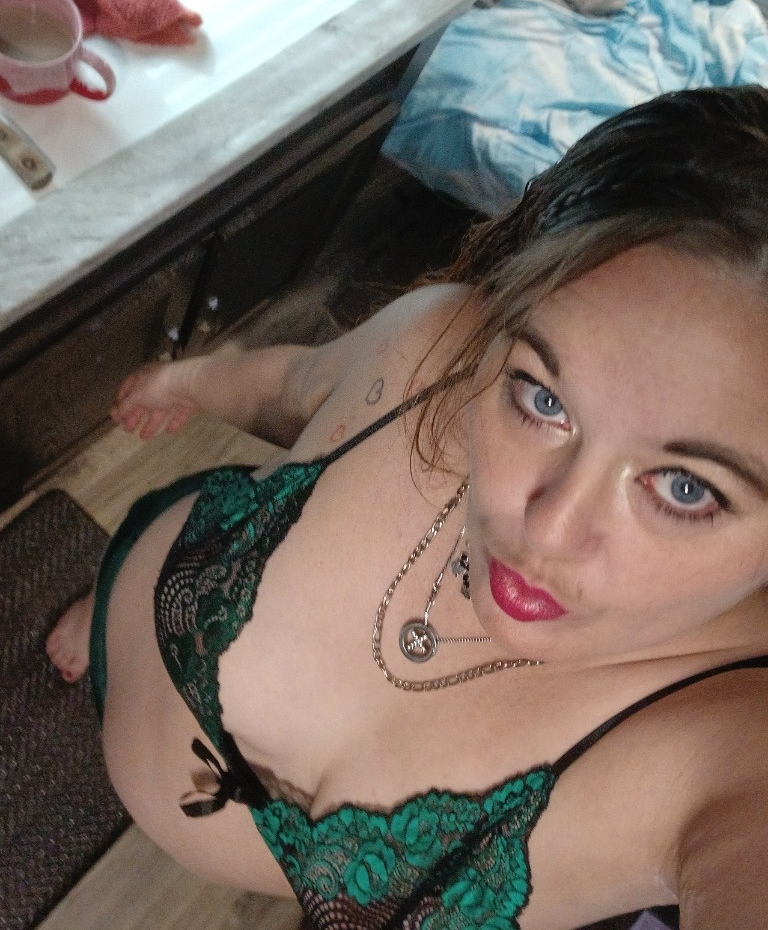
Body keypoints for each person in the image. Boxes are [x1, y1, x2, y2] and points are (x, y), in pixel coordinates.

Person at [47, 84, 768, 930]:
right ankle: (107, 611)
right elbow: (293, 390)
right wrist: (187, 381)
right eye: (542, 399)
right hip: (148, 594)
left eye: (687, 489)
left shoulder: (728, 747)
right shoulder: (440, 343)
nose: (545, 529)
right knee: (130, 591)